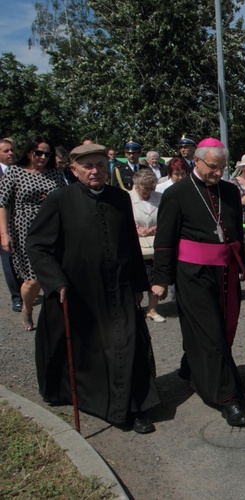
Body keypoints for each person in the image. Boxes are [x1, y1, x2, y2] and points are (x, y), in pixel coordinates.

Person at [26, 143, 160, 434]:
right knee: (92, 351)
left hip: (120, 287)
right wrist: (55, 281)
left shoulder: (120, 198)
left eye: (100, 164)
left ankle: (133, 408)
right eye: (87, 166)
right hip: (79, 290)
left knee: (127, 344)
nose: (95, 170)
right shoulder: (59, 199)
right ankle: (100, 402)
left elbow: (130, 244)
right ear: (74, 170)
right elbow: (37, 246)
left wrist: (140, 283)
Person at [152, 138, 245, 427]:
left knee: (218, 328)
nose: (217, 173)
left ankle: (190, 368)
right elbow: (165, 240)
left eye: (221, 168)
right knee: (210, 333)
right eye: (212, 167)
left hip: (225, 272)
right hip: (192, 274)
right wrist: (161, 279)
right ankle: (226, 397)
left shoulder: (230, 191)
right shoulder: (177, 193)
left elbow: (236, 233)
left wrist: (243, 264)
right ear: (196, 160)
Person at [0, 135, 67, 331]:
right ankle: (27, 309)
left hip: (54, 229)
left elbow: (64, 200)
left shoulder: (54, 174)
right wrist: (4, 234)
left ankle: (56, 317)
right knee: (33, 279)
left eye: (48, 153)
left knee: (57, 274)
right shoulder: (14, 173)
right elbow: (2, 204)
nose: (43, 157)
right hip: (25, 231)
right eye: (39, 152)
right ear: (29, 152)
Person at [130, 169, 164, 323]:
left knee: (155, 277)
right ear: (137, 185)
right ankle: (134, 309)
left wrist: (155, 228)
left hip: (155, 244)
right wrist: (136, 229)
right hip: (135, 245)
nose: (149, 191)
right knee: (136, 278)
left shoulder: (160, 198)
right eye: (145, 188)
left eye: (151, 188)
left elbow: (166, 218)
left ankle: (152, 309)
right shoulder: (127, 198)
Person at [0, 138, 21, 312]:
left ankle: (24, 288)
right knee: (7, 261)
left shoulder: (22, 171)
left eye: (12, 150)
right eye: (6, 151)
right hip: (2, 226)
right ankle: (16, 297)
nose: (11, 154)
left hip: (20, 223)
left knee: (21, 259)